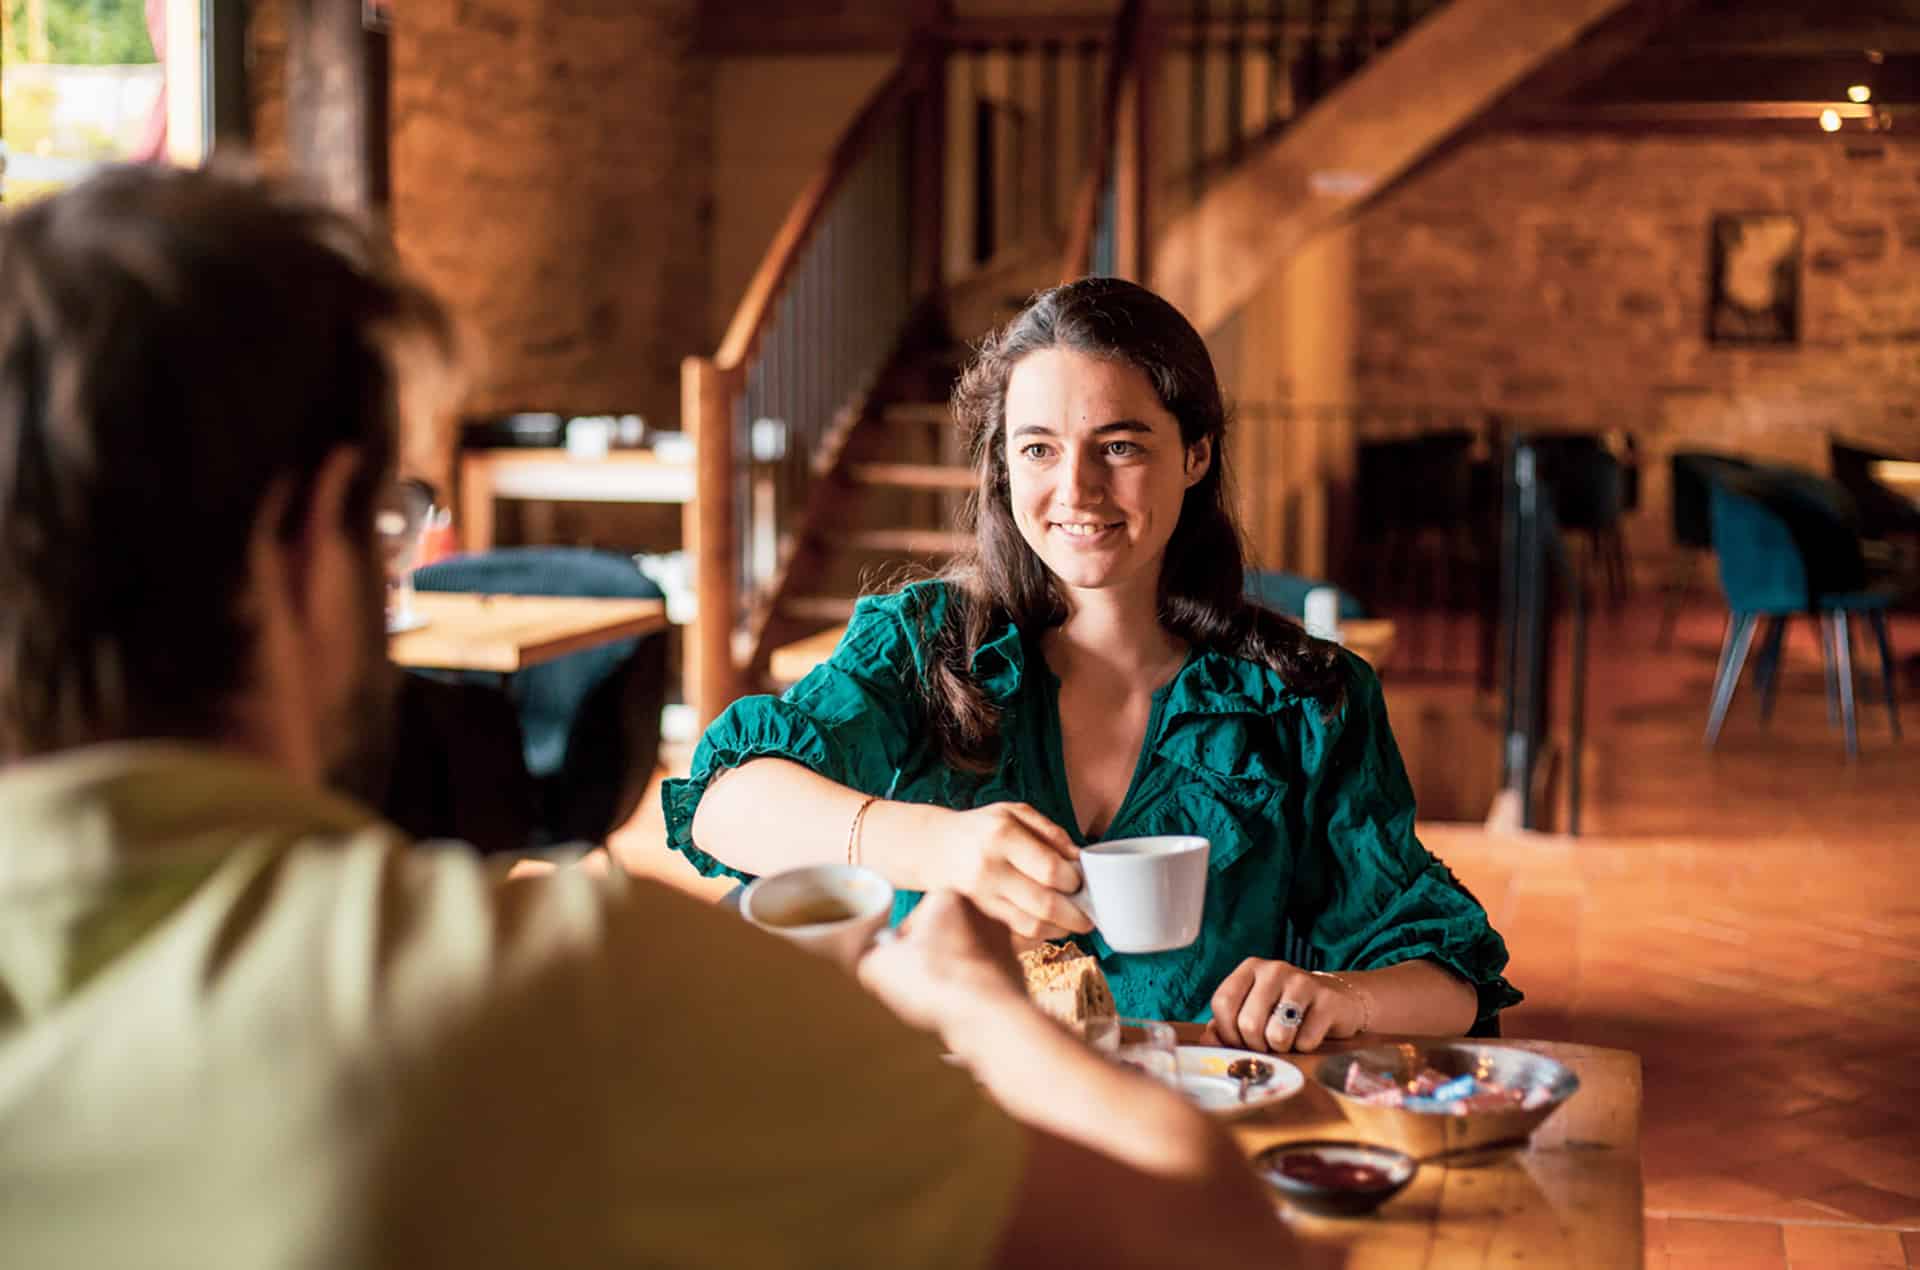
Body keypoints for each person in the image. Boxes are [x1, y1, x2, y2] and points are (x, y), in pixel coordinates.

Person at [0, 165, 1289, 1267]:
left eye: (1120, 444)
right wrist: (986, 1008)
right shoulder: (546, 996)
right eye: (387, 527)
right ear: (299, 546)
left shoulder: (1300, 693)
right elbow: (1210, 1241)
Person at [669, 277, 1521, 1054]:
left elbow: (1449, 979)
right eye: (1038, 448)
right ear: (1004, 466)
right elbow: (722, 803)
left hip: (1180, 1148)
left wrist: (1340, 996)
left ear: (1196, 454)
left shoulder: (1306, 698)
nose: (1075, 490)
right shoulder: (920, 643)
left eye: (1119, 447)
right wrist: (937, 846)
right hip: (934, 1129)